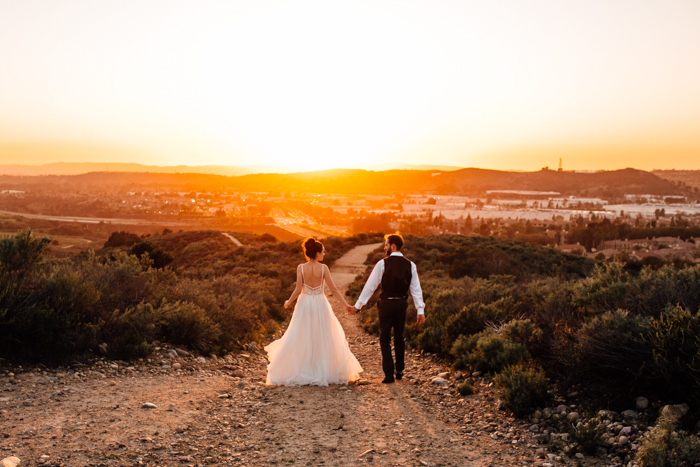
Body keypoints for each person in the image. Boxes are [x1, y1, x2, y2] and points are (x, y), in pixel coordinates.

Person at [265, 237, 363, 386]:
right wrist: (345, 305)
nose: (324, 253)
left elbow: (298, 290)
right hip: (319, 303)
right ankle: (321, 369)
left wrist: (288, 302)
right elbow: (333, 289)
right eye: (323, 252)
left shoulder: (301, 268)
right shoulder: (324, 268)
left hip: (304, 304)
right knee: (322, 335)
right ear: (317, 253)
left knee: (302, 334)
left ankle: (304, 368)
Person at [347, 233, 425, 384]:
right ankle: (400, 370)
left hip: (386, 305)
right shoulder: (411, 265)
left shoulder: (382, 264)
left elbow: (370, 287)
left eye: (386, 244)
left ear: (393, 246)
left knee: (384, 338)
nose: (384, 247)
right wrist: (419, 310)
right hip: (401, 304)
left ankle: (389, 374)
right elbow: (416, 290)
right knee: (399, 337)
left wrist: (358, 306)